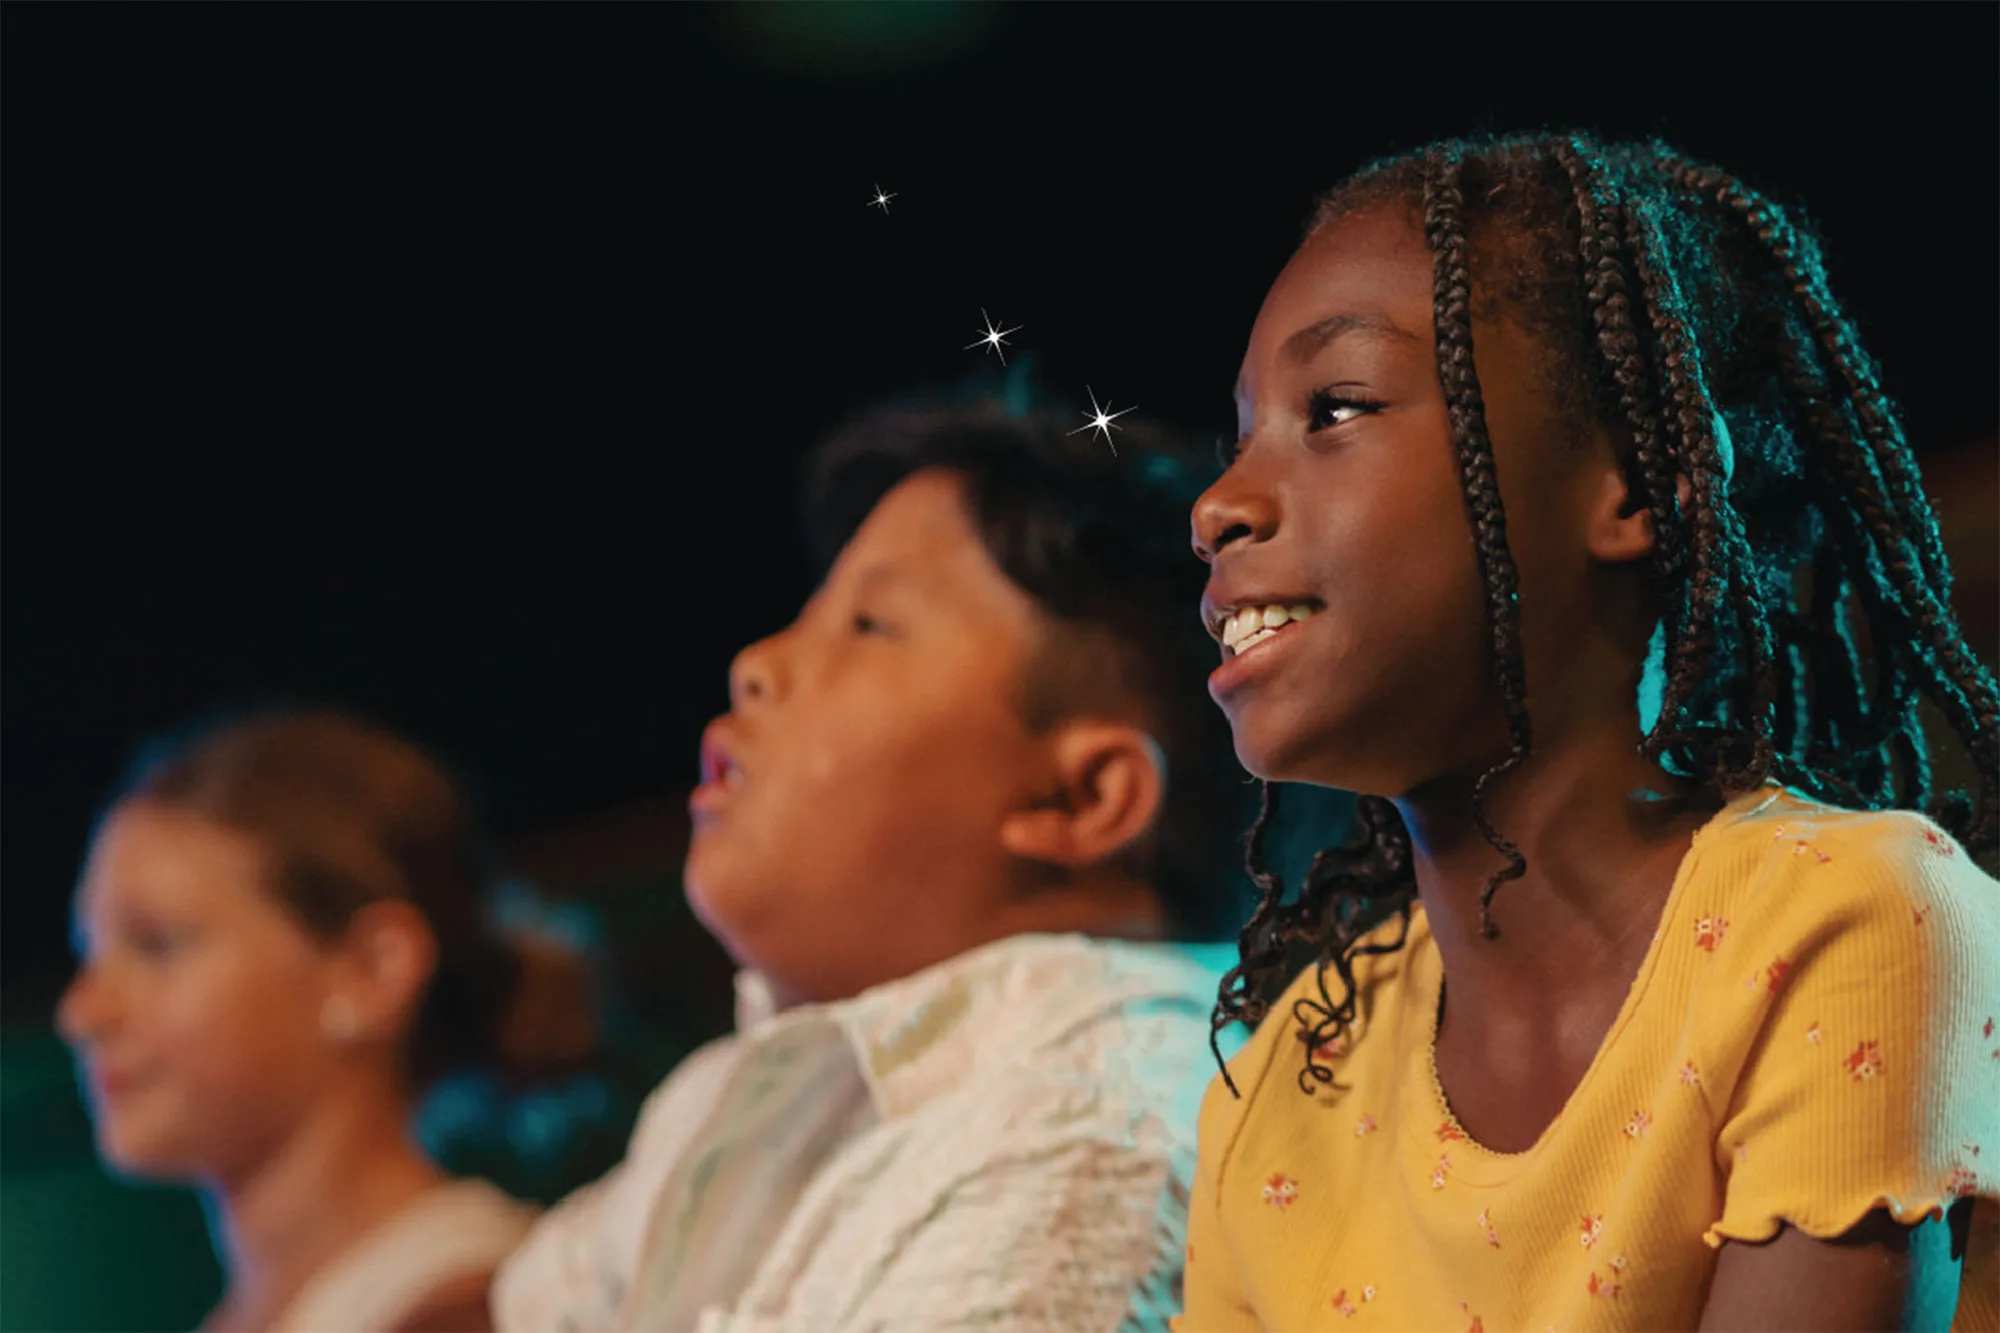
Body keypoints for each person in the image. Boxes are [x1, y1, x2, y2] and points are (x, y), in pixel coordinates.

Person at [1177, 130, 1999, 1331]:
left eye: (1336, 407)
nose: (1216, 506)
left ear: (1630, 485)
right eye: (1240, 439)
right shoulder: (1278, 1086)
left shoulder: (1848, 921)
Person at [494, 395, 1251, 1331]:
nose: (756, 663)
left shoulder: (1089, 1133)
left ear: (1079, 798)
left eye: (868, 624)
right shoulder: (746, 1092)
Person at [60, 710, 547, 1333]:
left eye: (158, 945)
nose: (84, 1012)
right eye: (88, 951)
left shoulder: (474, 1310)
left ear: (371, 969)